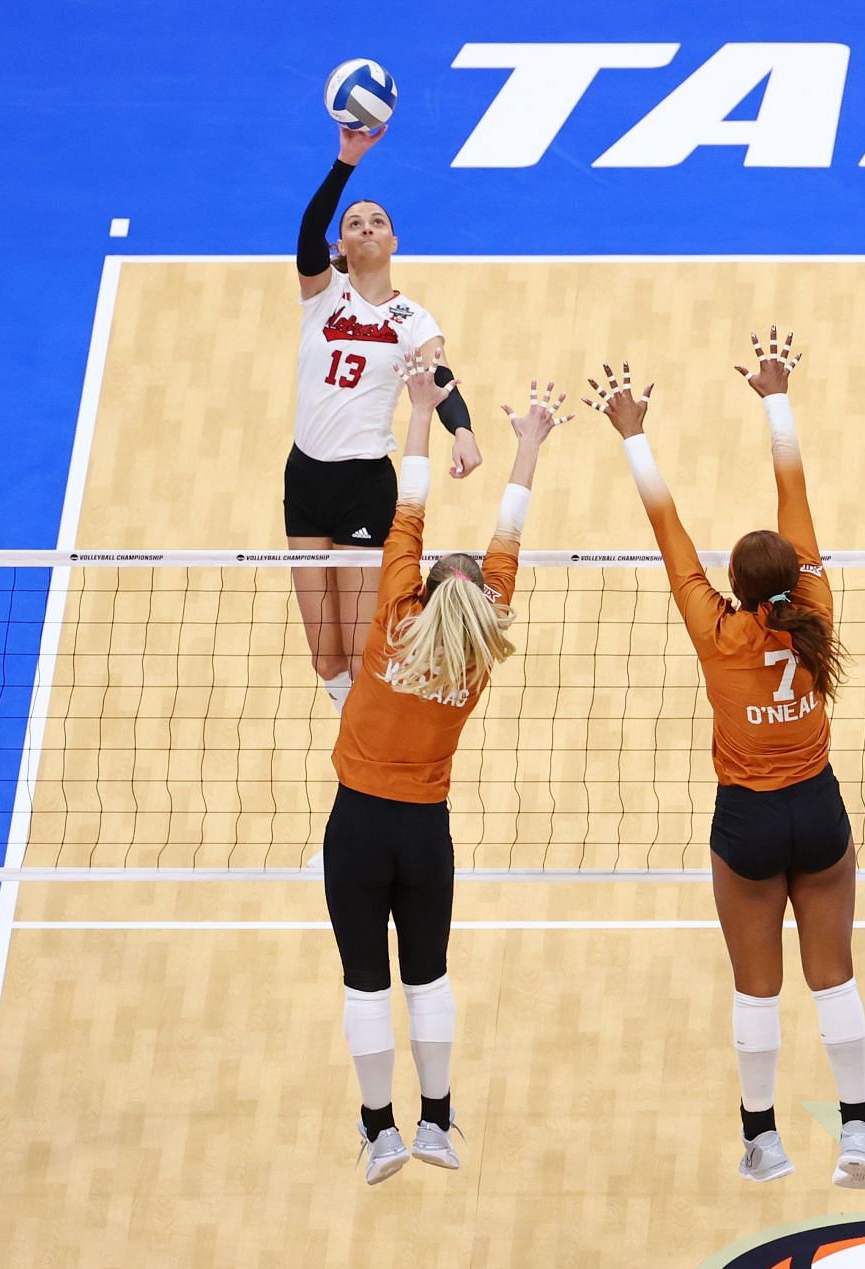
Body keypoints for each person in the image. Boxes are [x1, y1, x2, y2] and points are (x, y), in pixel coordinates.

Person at [588, 330, 865, 1190]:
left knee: (758, 987)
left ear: (736, 585)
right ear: (793, 575)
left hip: (746, 822)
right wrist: (775, 397)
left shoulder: (716, 630)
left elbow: (665, 525)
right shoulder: (816, 606)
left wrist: (632, 431)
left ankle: (765, 1141)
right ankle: (857, 1136)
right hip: (817, 813)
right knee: (835, 979)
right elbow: (795, 490)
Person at [329, 361, 565, 1183]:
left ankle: (377, 1133)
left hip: (358, 824)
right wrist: (527, 446)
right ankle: (435, 1124)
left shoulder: (395, 620)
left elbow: (410, 505)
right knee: (426, 976)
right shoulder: (476, 650)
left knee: (367, 982)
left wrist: (422, 413)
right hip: (425, 834)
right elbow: (509, 534)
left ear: (424, 591)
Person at [290, 124, 481, 709]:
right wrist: (345, 161)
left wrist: (464, 430)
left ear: (395, 241)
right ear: (339, 246)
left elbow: (440, 380)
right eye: (354, 223)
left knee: (359, 644)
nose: (365, 227)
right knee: (324, 656)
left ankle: (362, 750)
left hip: (365, 483)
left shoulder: (413, 320)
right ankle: (351, 724)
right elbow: (305, 233)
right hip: (304, 478)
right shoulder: (322, 292)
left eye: (376, 222)